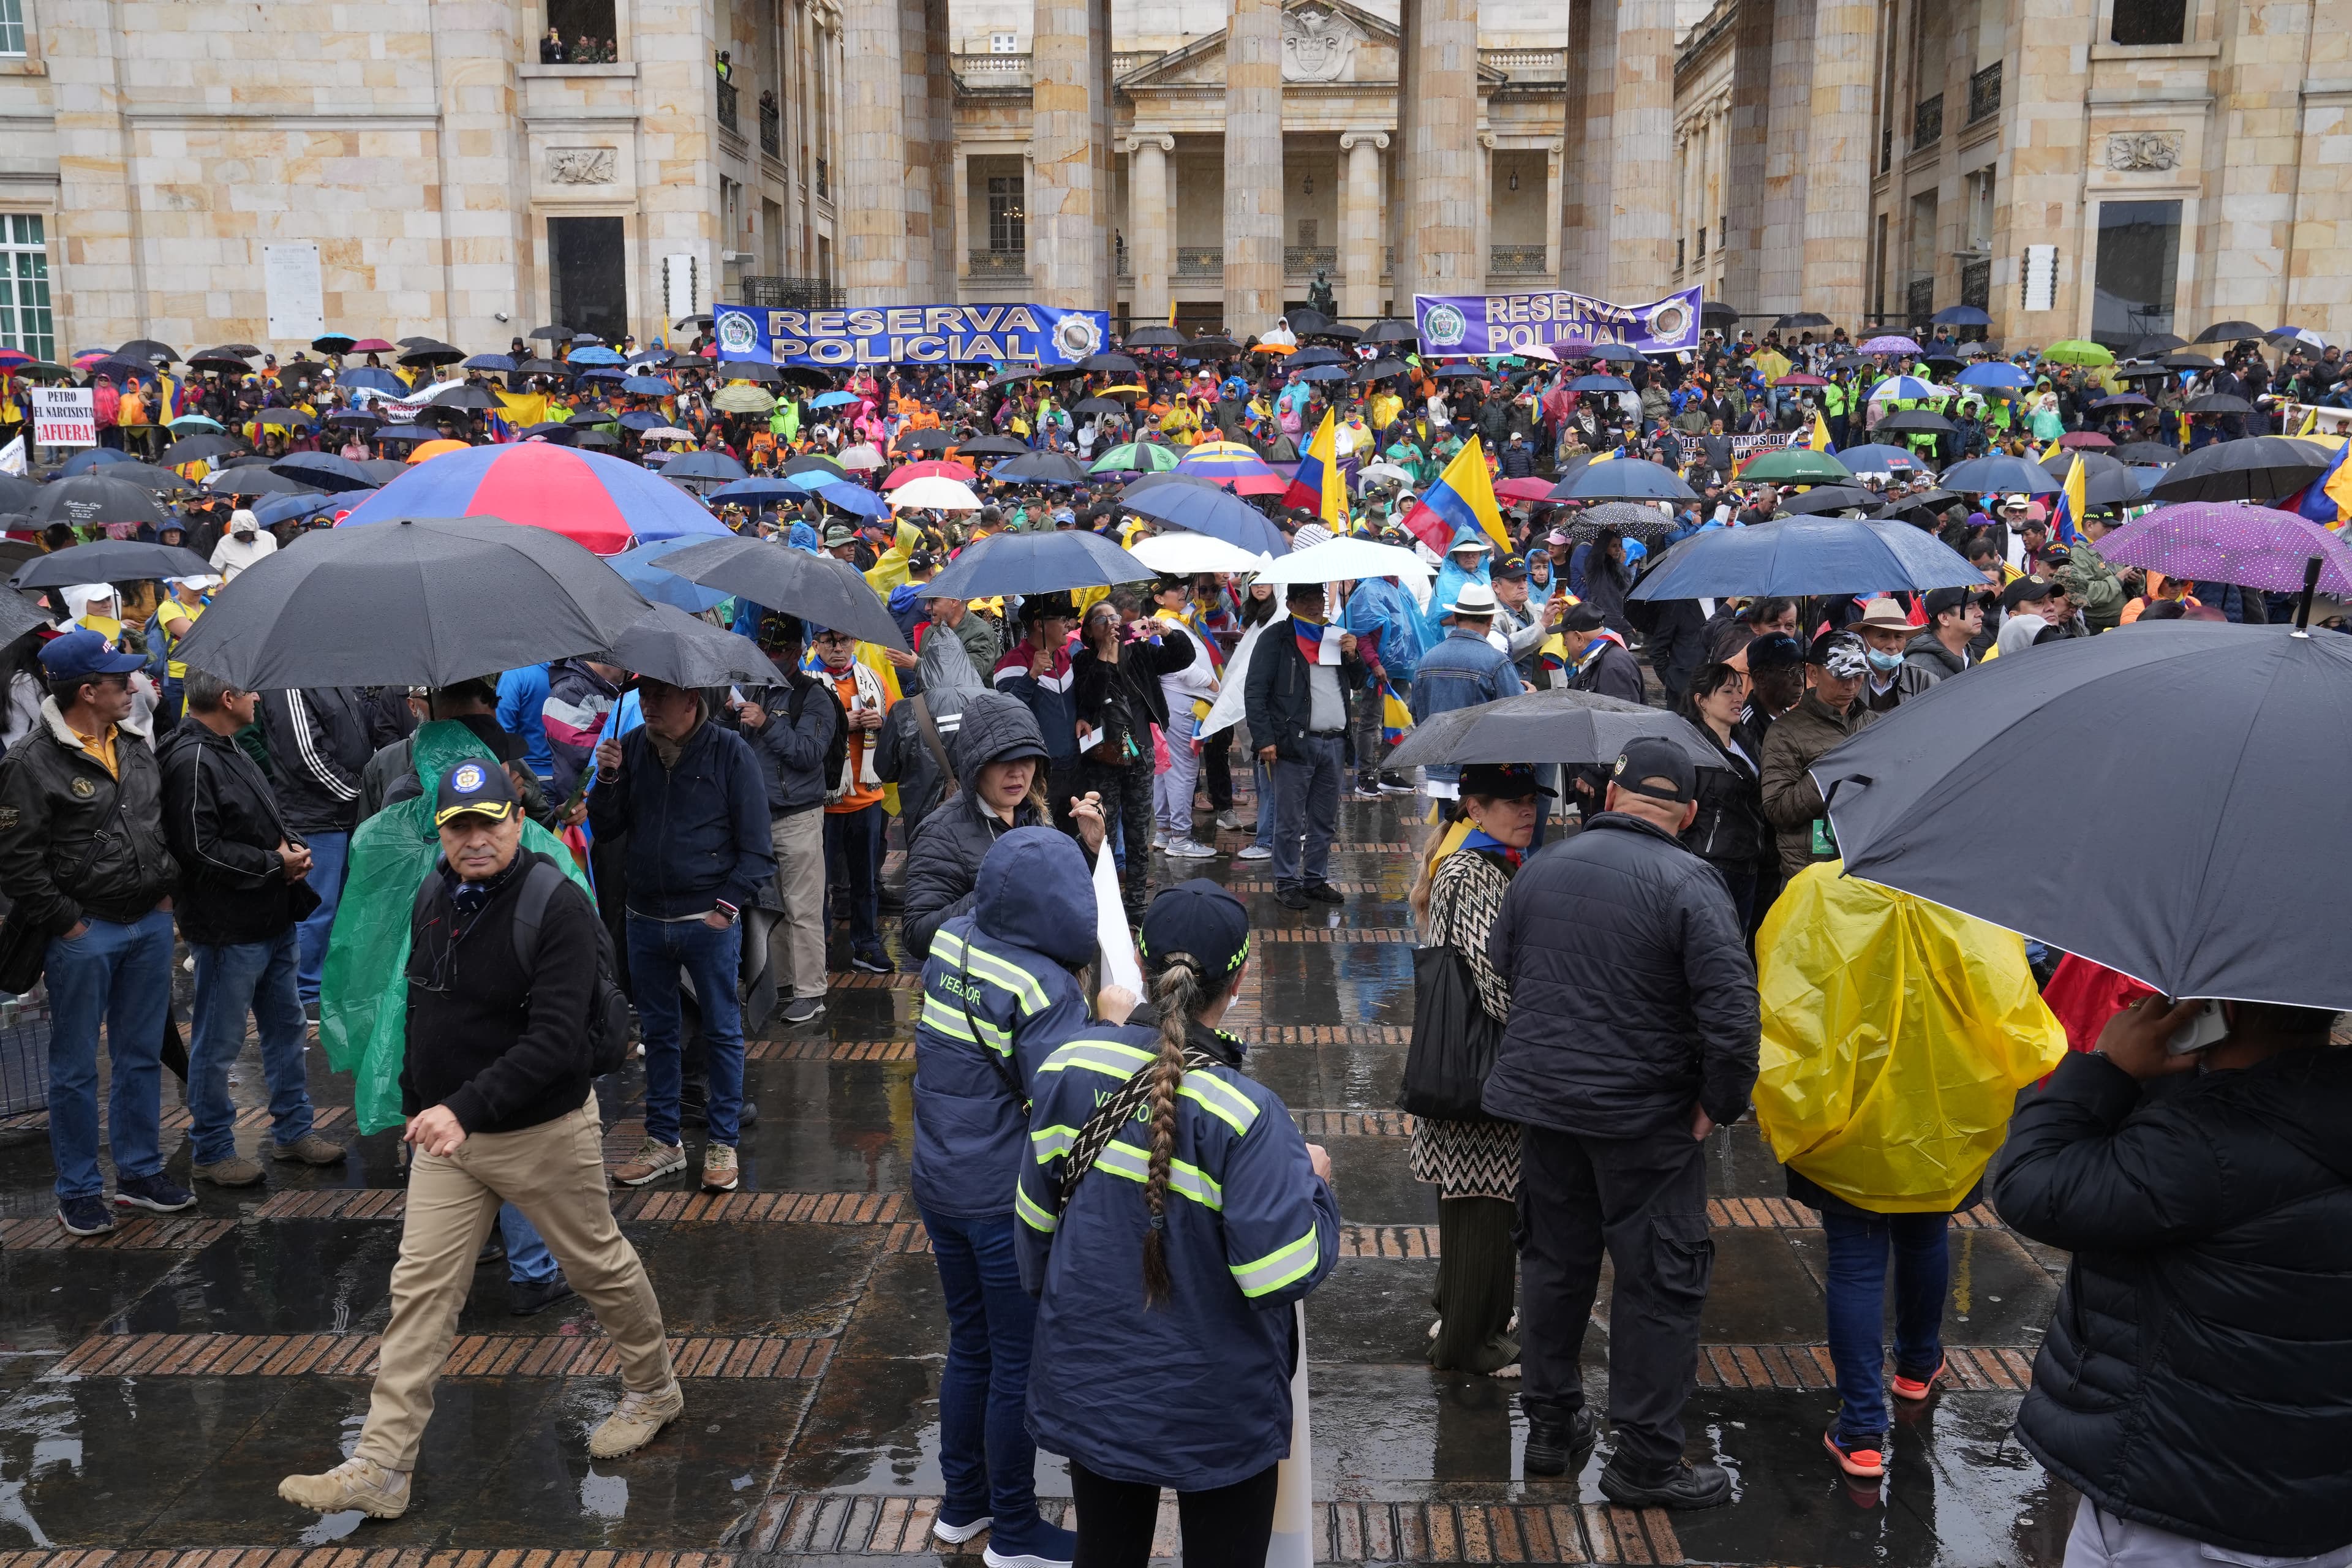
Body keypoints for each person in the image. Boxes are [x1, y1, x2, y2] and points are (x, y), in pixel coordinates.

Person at [277, 763, 682, 1522]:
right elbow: (423, 1008)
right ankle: (382, 1467)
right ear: (441, 832)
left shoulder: (556, 903)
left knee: (598, 1265)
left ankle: (654, 1388)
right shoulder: (434, 890)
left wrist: (460, 1108)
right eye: (458, 826)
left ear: (517, 820)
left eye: (488, 822)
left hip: (544, 1131)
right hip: (451, 1140)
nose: (474, 839)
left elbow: (556, 1040)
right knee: (419, 1294)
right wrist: (417, 1103)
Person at [1015, 880, 1340, 1568]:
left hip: (1095, 1381)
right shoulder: (1247, 1114)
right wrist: (1312, 1189)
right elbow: (1278, 1272)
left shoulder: (1067, 1066)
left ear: (1141, 963)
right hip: (1215, 1405)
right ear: (1240, 980)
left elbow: (1034, 1228)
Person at [1483, 738, 1757, 1506]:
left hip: (1549, 1109)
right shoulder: (1693, 882)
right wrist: (1715, 1108)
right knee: (1659, 1284)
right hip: (1647, 1118)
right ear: (1690, 814)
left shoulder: (1541, 868)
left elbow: (1506, 966)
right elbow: (1734, 1021)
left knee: (1553, 1267)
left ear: (1610, 795)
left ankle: (1550, 1426)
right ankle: (1644, 1460)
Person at [1995, 995, 2352, 1567]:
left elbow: (2034, 1187)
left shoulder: (2206, 1139)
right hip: (2322, 1502)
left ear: (2219, 1009)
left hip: (2178, 1506)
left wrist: (2108, 1068)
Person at [913, 827, 1114, 1568]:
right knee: (1015, 1362)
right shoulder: (1044, 986)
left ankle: (963, 1505)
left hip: (939, 1182)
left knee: (970, 1345)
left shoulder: (948, 942)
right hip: (1002, 1200)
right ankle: (1017, 1530)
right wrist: (1110, 1024)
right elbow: (1068, 1095)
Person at [0, 630, 189, 1235]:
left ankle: (139, 1173)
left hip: (147, 923)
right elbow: (16, 861)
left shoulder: (132, 742)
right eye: (119, 680)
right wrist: (69, 923)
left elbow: (155, 823)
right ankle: (79, 1189)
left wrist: (165, 894)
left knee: (140, 1056)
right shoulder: (29, 761)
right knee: (76, 1067)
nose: (134, 686)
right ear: (88, 692)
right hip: (85, 932)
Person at [157, 669, 345, 1187]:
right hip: (229, 928)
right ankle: (213, 1149)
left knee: (285, 1029)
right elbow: (198, 848)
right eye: (249, 690)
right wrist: (274, 863)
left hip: (270, 916)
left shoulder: (228, 747)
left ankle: (293, 1131)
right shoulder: (193, 758)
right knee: (218, 1043)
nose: (259, 697)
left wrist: (291, 849)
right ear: (227, 699)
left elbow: (258, 819)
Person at [590, 677, 775, 1193]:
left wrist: (725, 907)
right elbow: (606, 829)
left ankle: (722, 1142)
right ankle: (663, 1140)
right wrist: (607, 779)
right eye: (643, 696)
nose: (647, 705)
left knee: (721, 1030)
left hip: (706, 920)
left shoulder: (730, 752)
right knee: (658, 1033)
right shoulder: (631, 748)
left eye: (659, 697)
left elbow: (757, 847)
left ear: (691, 700)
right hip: (645, 918)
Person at [1407, 764, 1544, 1376]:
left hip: (1469, 1061)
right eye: (1512, 802)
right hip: (1480, 1063)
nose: (1528, 810)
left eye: (1532, 799)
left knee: (1477, 1199)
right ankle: (1470, 1342)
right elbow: (1497, 982)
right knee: (1483, 1202)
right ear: (1475, 808)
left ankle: (1469, 1312)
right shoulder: (1472, 871)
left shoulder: (1480, 861)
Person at [902, 691, 1106, 963]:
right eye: (1003, 760)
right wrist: (995, 891)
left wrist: (1088, 848)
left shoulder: (1035, 812)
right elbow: (918, 935)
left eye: (1027, 759)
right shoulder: (940, 833)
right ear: (976, 763)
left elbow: (1057, 890)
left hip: (1040, 977)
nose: (1017, 773)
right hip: (983, 984)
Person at [734, 614, 840, 1026]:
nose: (768, 654)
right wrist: (729, 716)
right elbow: (736, 748)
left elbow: (809, 753)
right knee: (771, 906)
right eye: (764, 646)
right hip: (759, 818)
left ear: (797, 651)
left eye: (777, 649)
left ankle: (811, 992)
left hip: (799, 817)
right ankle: (781, 983)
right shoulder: (754, 689)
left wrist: (765, 724)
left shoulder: (814, 697)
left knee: (804, 909)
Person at [1071, 599, 1197, 920]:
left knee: (1139, 835)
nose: (1110, 623)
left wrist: (1167, 633)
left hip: (1140, 755)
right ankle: (1107, 907)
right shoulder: (1084, 661)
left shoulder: (1139, 654)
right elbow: (1089, 698)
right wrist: (1104, 655)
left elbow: (1183, 658)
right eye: (1101, 620)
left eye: (1114, 617)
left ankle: (1137, 904)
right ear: (1089, 631)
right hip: (1103, 759)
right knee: (1106, 836)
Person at [1244, 581, 1363, 911]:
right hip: (1294, 743)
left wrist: (1353, 656)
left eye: (1319, 599)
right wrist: (1265, 739)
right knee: (1289, 820)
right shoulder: (1277, 637)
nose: (1314, 605)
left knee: (1324, 819)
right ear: (1291, 603)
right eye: (1306, 599)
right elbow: (1255, 691)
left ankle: (1315, 879)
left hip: (1334, 741)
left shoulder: (1335, 636)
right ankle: (1286, 882)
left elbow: (1358, 682)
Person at [261, 684, 375, 1008]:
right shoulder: (291, 682)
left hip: (342, 815)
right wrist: (357, 790)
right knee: (315, 910)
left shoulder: (333, 676)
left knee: (339, 908)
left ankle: (326, 985)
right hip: (314, 818)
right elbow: (305, 757)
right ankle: (305, 992)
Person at [1758, 633, 1876, 883]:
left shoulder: (1875, 725)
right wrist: (1829, 773)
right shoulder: (1785, 732)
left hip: (1867, 868)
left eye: (1858, 675)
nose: (1851, 685)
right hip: (1810, 876)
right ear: (1813, 673)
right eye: (1841, 676)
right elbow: (1778, 810)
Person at [813, 625, 895, 974]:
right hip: (823, 801)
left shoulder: (873, 679)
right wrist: (838, 724)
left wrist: (882, 721)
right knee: (817, 885)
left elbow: (897, 726)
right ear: (816, 645)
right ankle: (819, 947)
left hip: (867, 797)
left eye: (844, 640)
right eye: (829, 642)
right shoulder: (808, 684)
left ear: (854, 643)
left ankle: (867, 945)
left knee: (866, 881)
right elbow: (801, 737)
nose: (838, 648)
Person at [1675, 662, 1772, 929]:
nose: (1738, 698)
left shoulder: (1747, 741)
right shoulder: (1690, 747)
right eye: (1728, 691)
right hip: (1710, 863)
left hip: (1749, 862)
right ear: (1702, 701)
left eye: (1740, 690)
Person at [1407, 582, 1525, 799]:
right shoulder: (1496, 662)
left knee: (1447, 820)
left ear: (1456, 618)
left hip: (1438, 767)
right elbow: (1516, 715)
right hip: (1481, 771)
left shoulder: (1427, 660)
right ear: (1490, 620)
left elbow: (1416, 712)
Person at [1143, 576, 1219, 860]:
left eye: (1182, 587)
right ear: (1159, 598)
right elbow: (1180, 667)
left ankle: (1166, 832)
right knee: (1183, 770)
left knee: (1166, 769)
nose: (1181, 592)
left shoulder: (1172, 621)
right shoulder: (1166, 624)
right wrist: (1210, 682)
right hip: (1180, 701)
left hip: (1177, 702)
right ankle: (1180, 837)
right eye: (1174, 589)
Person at [1849, 598, 1936, 711]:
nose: (1892, 645)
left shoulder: (1923, 680)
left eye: (1899, 637)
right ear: (1863, 637)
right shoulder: (1848, 680)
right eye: (1882, 636)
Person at [1903, 586, 1980, 682]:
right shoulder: (1920, 668)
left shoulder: (1969, 657)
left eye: (1979, 606)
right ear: (1945, 618)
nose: (1981, 613)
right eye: (1970, 608)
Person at [208, 507, 277, 581]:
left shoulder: (268, 537)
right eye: (240, 535)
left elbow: (278, 563)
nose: (244, 537)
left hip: (268, 584)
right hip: (238, 586)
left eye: (248, 534)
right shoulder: (225, 543)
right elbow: (213, 570)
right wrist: (219, 584)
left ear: (254, 530)